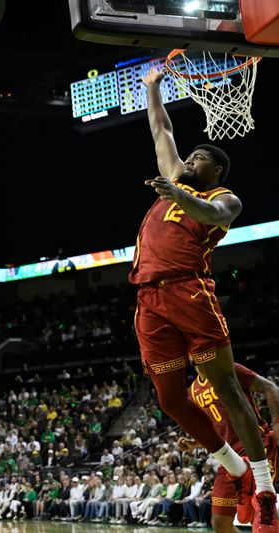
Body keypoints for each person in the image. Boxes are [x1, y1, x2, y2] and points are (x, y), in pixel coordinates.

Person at [133, 67, 277, 530]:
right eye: (188, 157)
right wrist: (153, 89)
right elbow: (162, 130)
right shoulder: (176, 176)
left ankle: (264, 486)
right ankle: (234, 466)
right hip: (147, 299)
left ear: (214, 169)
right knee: (171, 399)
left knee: (228, 388)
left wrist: (177, 190)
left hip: (189, 291)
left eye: (197, 159)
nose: (188, 160)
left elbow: (210, 211)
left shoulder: (224, 197)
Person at [178, 363, 279, 532]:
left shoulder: (228, 369)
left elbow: (271, 388)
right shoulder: (193, 391)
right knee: (220, 522)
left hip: (257, 447)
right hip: (229, 458)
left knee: (261, 511)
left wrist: (276, 423)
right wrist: (196, 442)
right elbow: (215, 426)